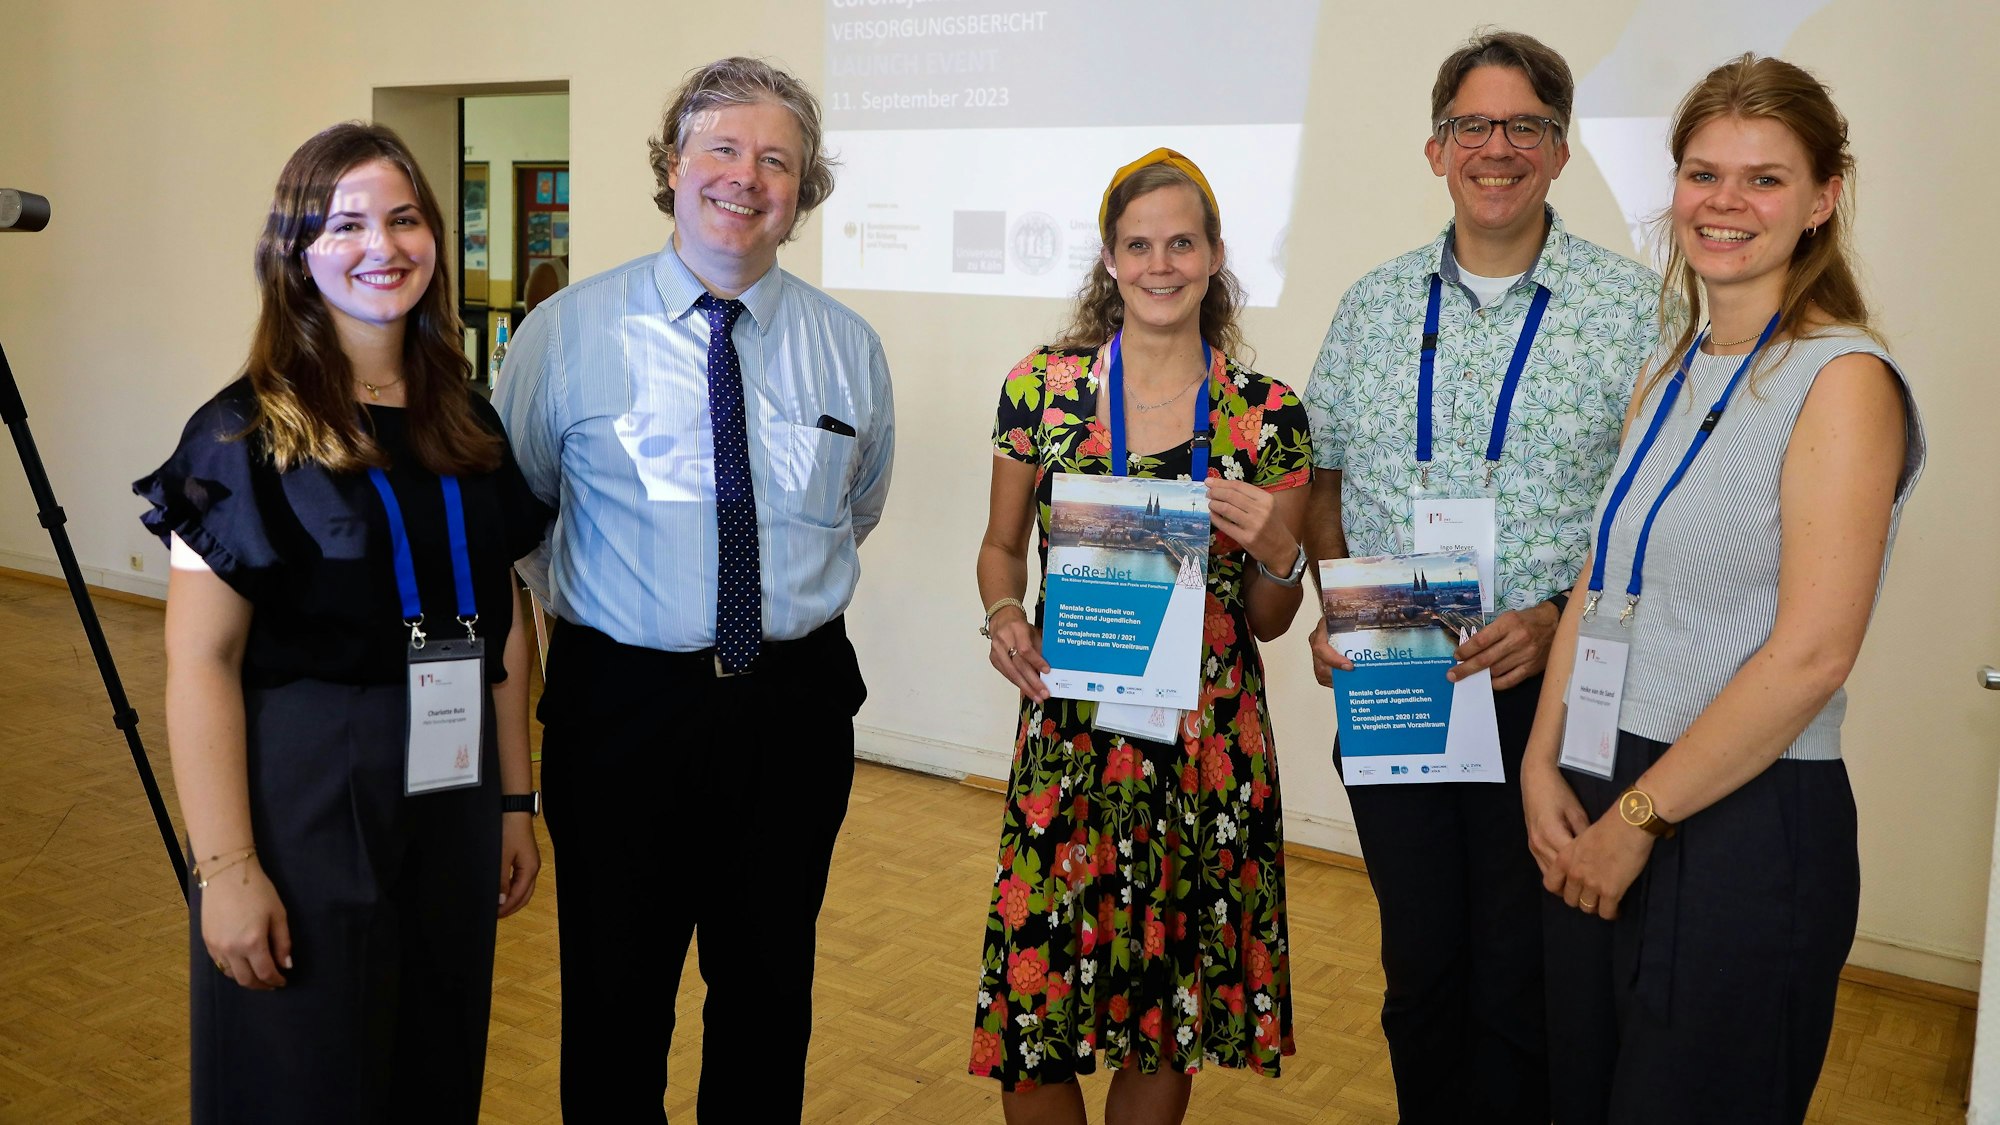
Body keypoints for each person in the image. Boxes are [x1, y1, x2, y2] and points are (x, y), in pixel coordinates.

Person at [1522, 54, 1925, 1124]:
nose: (1724, 203)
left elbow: (1812, 655)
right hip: (1604, 780)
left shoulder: (1842, 381)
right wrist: (1541, 757)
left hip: (1740, 816)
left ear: (1821, 199)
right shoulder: (1671, 370)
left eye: (1763, 178)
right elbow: (1601, 578)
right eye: (1703, 174)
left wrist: (1636, 820)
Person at [492, 57, 894, 1122]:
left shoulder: (848, 348)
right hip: (621, 713)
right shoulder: (565, 335)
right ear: (672, 166)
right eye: (721, 148)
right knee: (614, 1004)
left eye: (776, 160)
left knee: (768, 999)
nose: (745, 177)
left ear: (803, 191)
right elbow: (524, 524)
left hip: (792, 713)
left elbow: (854, 509)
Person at [136, 122, 548, 1124]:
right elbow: (200, 660)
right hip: (313, 777)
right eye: (347, 224)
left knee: (433, 1057)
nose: (383, 246)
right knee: (304, 1068)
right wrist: (225, 869)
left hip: (452, 777)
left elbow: (506, 624)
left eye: (404, 219)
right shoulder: (241, 434)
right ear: (295, 251)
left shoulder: (469, 420)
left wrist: (514, 801)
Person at [1300, 30, 1662, 1124]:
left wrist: (1552, 619)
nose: (1494, 148)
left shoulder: (1635, 311)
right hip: (1396, 682)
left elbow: (1655, 516)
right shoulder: (1371, 306)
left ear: (1560, 149)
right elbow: (1321, 476)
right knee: (1420, 968)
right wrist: (1340, 606)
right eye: (1470, 125)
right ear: (1434, 148)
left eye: (1523, 127)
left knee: (1524, 978)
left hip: (1548, 695)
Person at [969, 148, 1312, 1124]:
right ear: (1110, 259)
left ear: (1214, 256)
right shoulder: (1042, 389)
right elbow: (1000, 547)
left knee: (1167, 1015)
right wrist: (1004, 614)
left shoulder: (1265, 415)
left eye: (1181, 244)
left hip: (1205, 745)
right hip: (1070, 735)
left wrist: (1280, 552)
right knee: (1032, 1014)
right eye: (1138, 245)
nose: (1160, 265)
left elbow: (1268, 618)